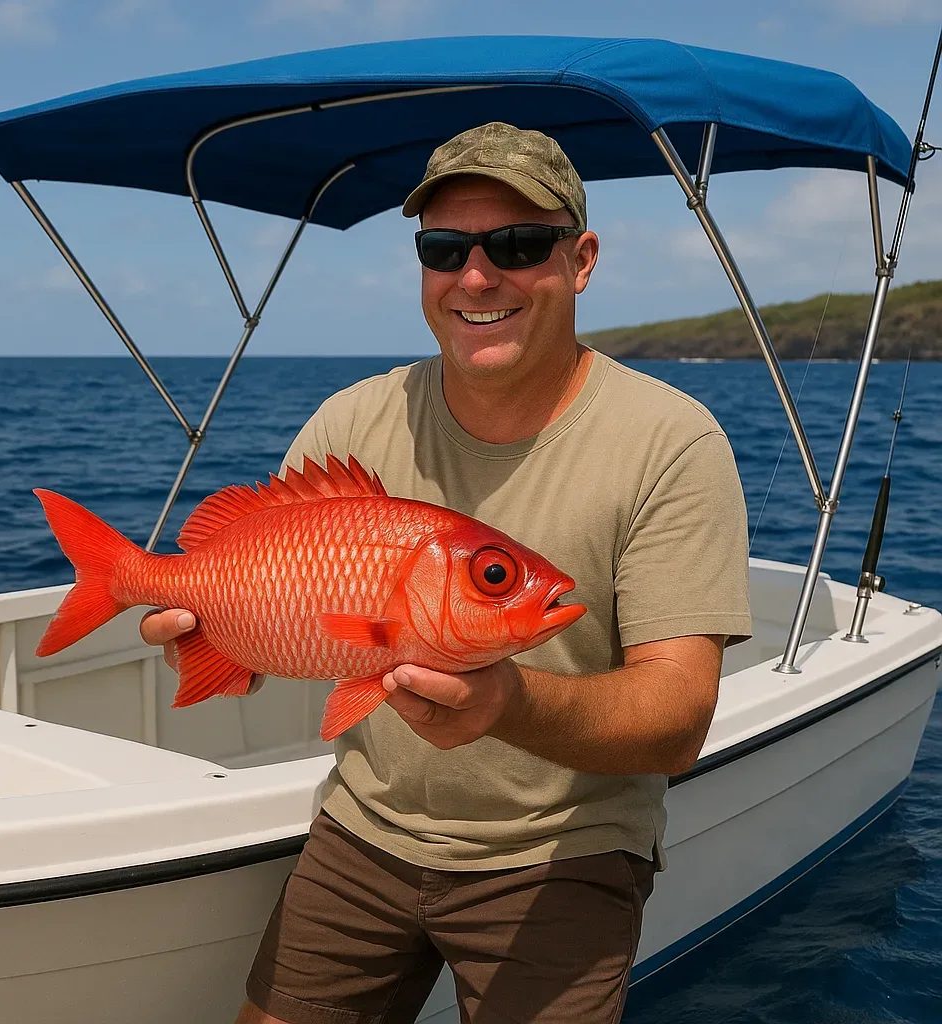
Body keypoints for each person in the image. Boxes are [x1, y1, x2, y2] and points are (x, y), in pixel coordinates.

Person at [141, 122, 752, 1024]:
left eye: (519, 244)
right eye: (444, 248)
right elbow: (275, 641)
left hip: (562, 851)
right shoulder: (352, 420)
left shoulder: (670, 442)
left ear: (580, 260)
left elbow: (678, 721)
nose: (476, 275)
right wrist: (202, 628)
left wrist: (509, 703)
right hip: (363, 830)